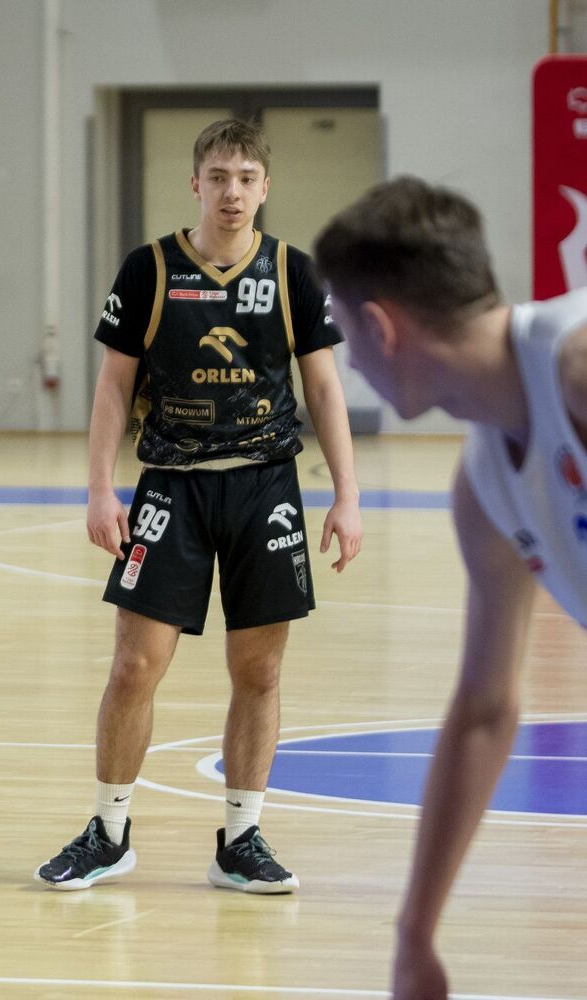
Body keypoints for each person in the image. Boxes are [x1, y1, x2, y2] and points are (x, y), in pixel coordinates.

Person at [35, 118, 363, 895]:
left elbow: (323, 389)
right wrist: (99, 487)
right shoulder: (149, 269)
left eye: (246, 178)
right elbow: (114, 386)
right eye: (218, 177)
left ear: (265, 187)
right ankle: (109, 831)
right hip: (171, 485)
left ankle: (241, 840)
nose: (232, 192)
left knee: (259, 670)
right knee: (134, 665)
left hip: (265, 486)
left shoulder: (292, 272)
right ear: (195, 184)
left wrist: (348, 497)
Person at [313, 177, 587, 1000]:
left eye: (344, 335)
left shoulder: (578, 369)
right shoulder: (484, 489)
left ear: (380, 327)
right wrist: (415, 935)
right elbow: (484, 710)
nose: (348, 361)